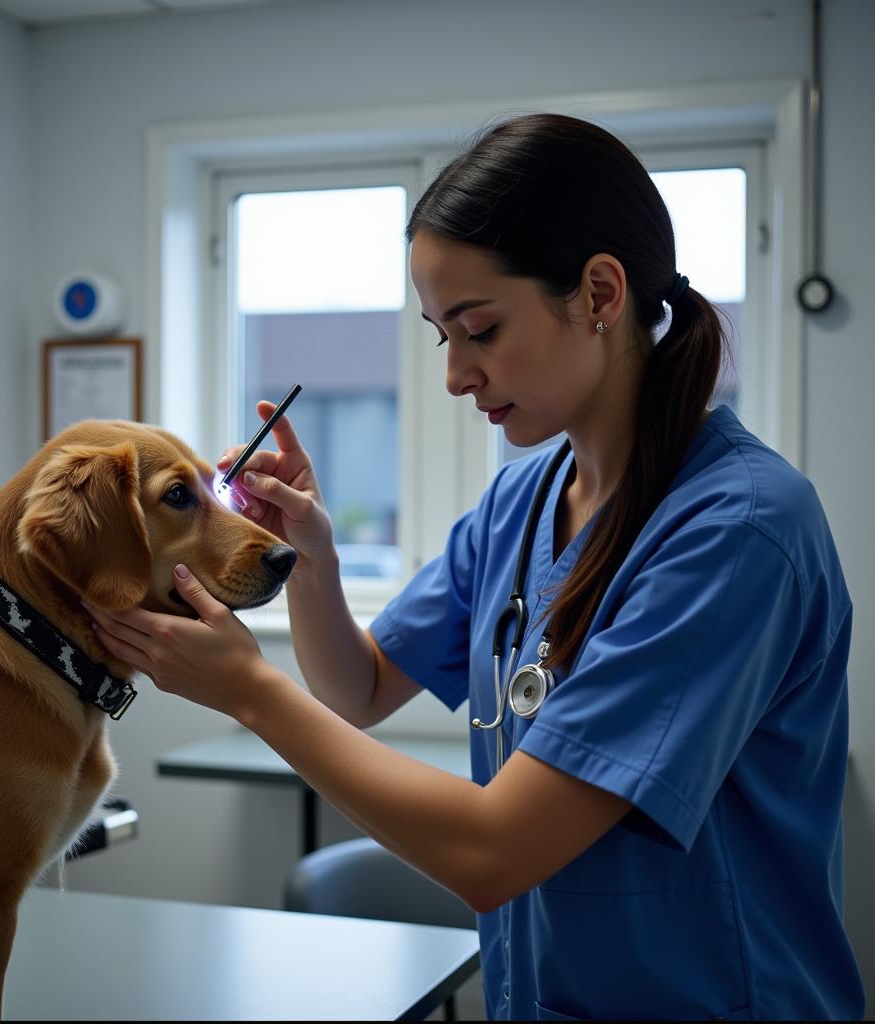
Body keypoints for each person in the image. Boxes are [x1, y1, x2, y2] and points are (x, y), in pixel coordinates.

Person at [86, 113, 864, 1020]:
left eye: (481, 330)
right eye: (440, 335)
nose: (456, 374)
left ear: (601, 293)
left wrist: (252, 694)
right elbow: (359, 690)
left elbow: (495, 851)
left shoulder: (737, 531)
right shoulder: (521, 500)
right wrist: (314, 557)